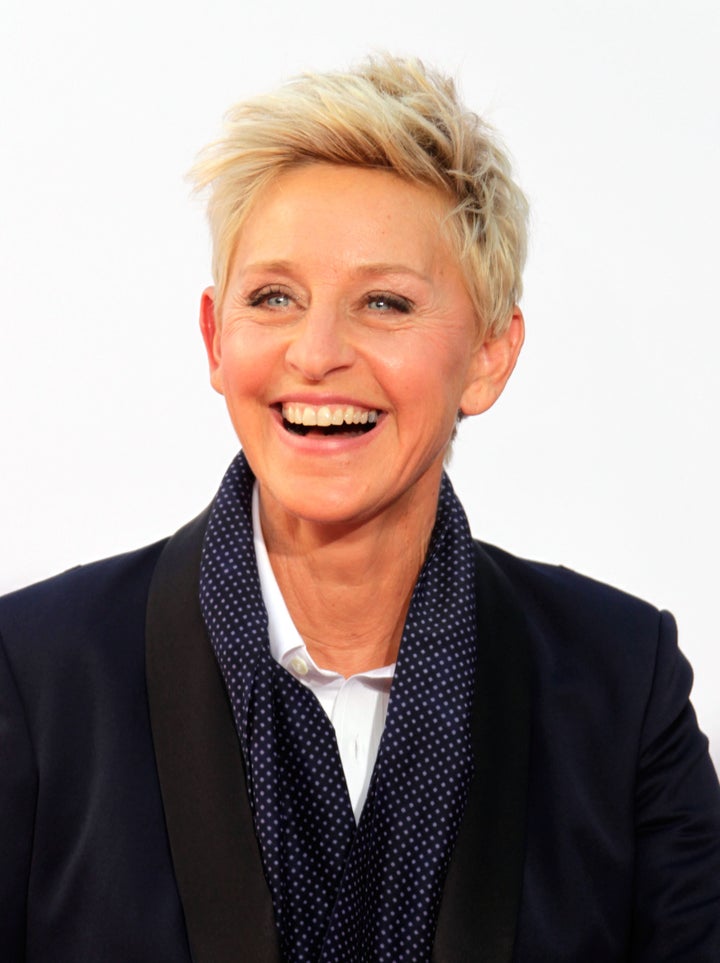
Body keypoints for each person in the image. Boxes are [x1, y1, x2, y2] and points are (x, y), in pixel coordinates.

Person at [1, 55, 719, 963]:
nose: (317, 351)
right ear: (216, 338)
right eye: (275, 297)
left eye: (383, 302)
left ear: (492, 354)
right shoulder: (34, 672)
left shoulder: (621, 682)